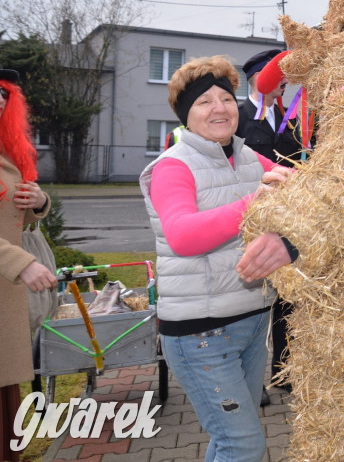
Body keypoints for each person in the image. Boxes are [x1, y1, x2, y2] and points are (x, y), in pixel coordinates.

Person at [139, 55, 297, 462]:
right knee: (243, 444)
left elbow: (297, 189)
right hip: (201, 334)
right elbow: (183, 235)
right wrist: (255, 201)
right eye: (204, 101)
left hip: (251, 320)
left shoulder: (247, 157)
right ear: (185, 115)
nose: (219, 108)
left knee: (229, 441)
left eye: (224, 98)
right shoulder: (173, 167)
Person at [235, 48, 303, 402]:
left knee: (286, 302)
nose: (283, 87)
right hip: (253, 218)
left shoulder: (292, 117)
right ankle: (251, 380)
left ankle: (283, 369)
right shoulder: (239, 116)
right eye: (278, 81)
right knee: (254, 305)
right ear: (257, 80)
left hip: (288, 219)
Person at [0, 69, 57, 462]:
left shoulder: (6, 147)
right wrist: (19, 263)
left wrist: (38, 201)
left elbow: (18, 214)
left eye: (2, 93)